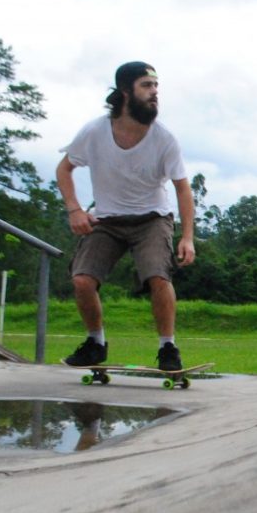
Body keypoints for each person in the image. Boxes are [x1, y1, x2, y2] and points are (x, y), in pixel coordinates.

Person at [57, 61, 196, 371]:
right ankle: (95, 343)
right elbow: (64, 169)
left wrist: (187, 237)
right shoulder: (94, 132)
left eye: (156, 87)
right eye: (147, 86)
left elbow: (183, 190)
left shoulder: (164, 138)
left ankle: (168, 348)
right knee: (82, 279)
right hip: (107, 220)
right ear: (125, 91)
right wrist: (75, 209)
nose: (155, 93)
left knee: (157, 277)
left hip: (152, 219)